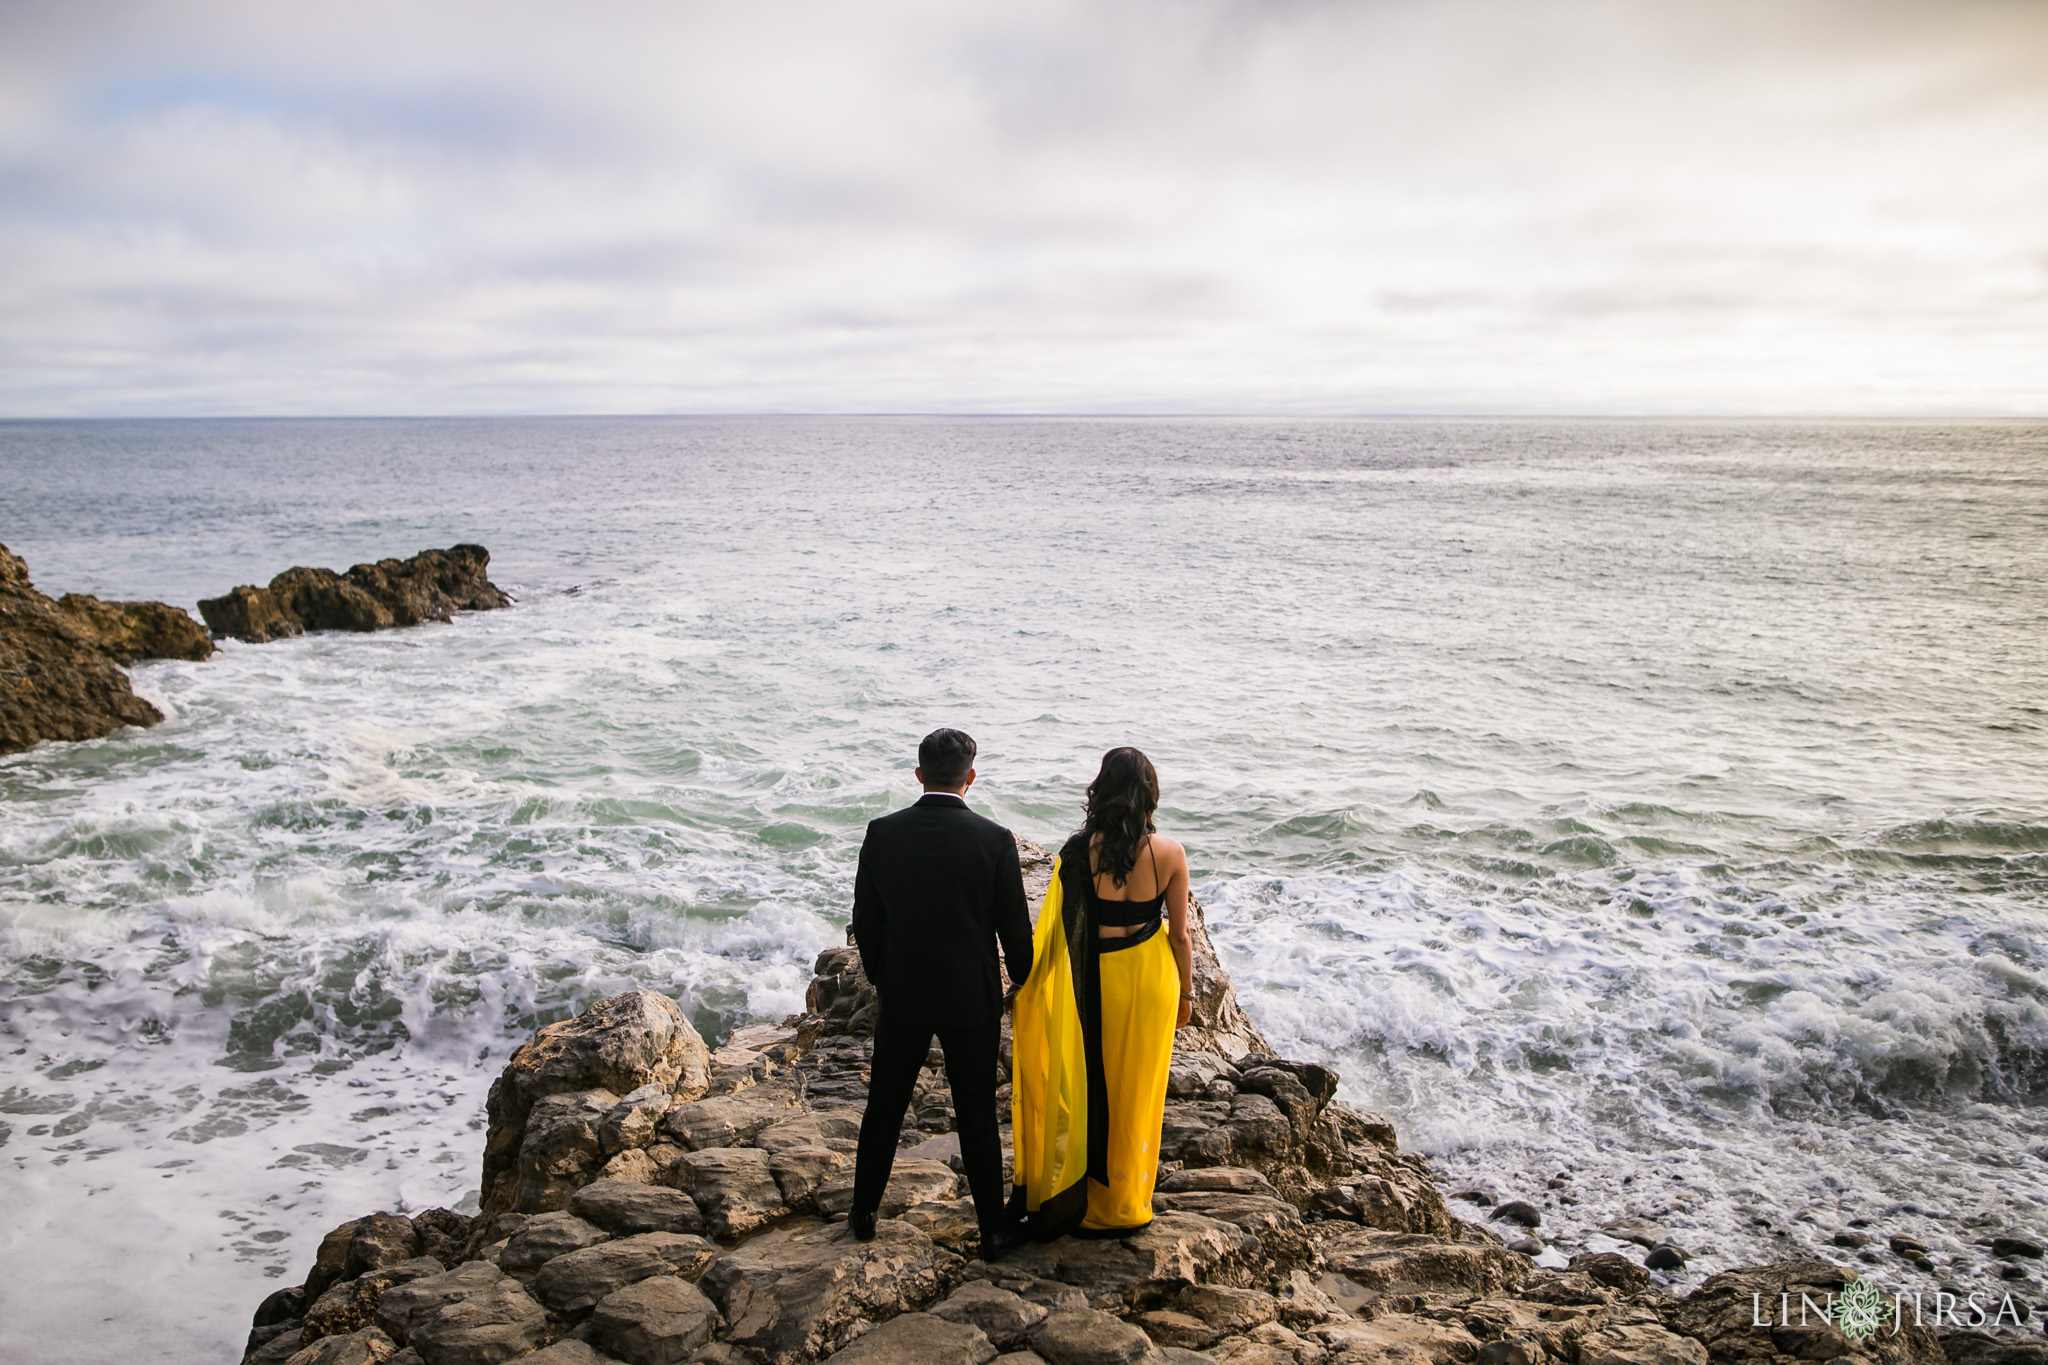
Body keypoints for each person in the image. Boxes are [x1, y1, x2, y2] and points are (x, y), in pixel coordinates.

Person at [848, 727, 1033, 1260]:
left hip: (904, 992)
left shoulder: (882, 833)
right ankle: (993, 1231)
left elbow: (866, 919)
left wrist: (884, 973)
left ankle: (863, 1214)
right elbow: (1015, 932)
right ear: (970, 778)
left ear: (919, 775)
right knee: (976, 1112)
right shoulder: (994, 839)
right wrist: (1019, 978)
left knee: (884, 1104)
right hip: (970, 998)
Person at [1010, 746, 1194, 1239]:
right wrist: (1189, 995)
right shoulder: (1171, 853)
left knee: (1094, 1082)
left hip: (1097, 979)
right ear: (1149, 793)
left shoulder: (1078, 850)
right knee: (1140, 1088)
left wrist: (1027, 986)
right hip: (1152, 978)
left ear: (1102, 789)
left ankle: (1086, 1198)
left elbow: (1055, 928)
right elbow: (1180, 935)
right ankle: (1128, 1201)